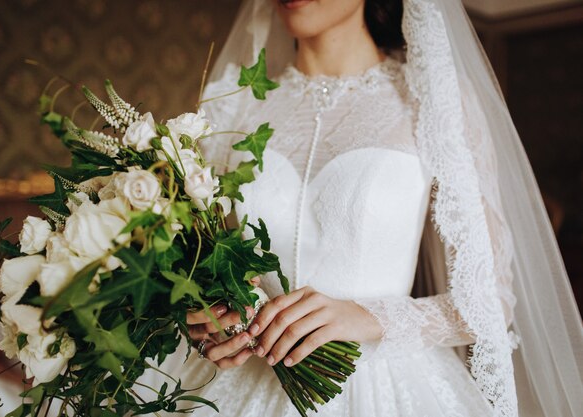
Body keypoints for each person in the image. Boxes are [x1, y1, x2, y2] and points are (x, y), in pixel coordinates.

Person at [136, 0, 583, 416]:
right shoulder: (233, 102)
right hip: (236, 382)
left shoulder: (434, 100)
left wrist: (367, 315)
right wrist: (203, 312)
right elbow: (192, 256)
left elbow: (490, 301)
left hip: (386, 384)